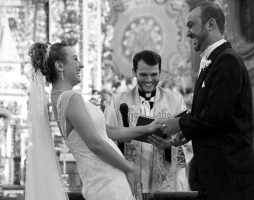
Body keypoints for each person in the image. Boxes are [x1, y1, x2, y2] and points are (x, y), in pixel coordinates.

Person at [26, 41, 164, 200]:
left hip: (101, 182)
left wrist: (146, 129)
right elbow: (95, 144)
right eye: (75, 59)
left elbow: (109, 132)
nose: (81, 64)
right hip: (108, 182)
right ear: (59, 66)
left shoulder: (59, 98)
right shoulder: (70, 98)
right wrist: (130, 168)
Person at [160, 2, 254, 200]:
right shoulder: (215, 61)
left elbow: (218, 115)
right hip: (215, 176)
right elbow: (210, 113)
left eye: (191, 25)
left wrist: (180, 124)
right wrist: (187, 132)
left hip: (229, 178)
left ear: (211, 24)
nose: (188, 33)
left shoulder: (226, 60)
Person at [104, 50, 192, 199]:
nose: (149, 80)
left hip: (165, 179)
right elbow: (105, 138)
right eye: (143, 74)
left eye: (153, 74)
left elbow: (188, 144)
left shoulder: (175, 101)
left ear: (160, 72)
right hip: (128, 177)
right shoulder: (117, 101)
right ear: (134, 72)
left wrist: (171, 144)